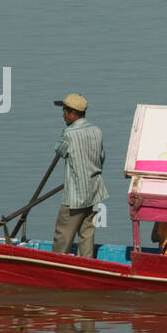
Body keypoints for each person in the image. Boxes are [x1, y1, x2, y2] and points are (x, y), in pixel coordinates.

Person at [52, 94, 108, 257]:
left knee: (63, 236)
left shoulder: (69, 133)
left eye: (64, 111)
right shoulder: (97, 130)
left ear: (72, 113)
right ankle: (86, 263)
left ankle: (56, 265)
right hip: (94, 190)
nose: (63, 115)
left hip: (75, 196)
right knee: (87, 234)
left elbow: (60, 150)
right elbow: (102, 157)